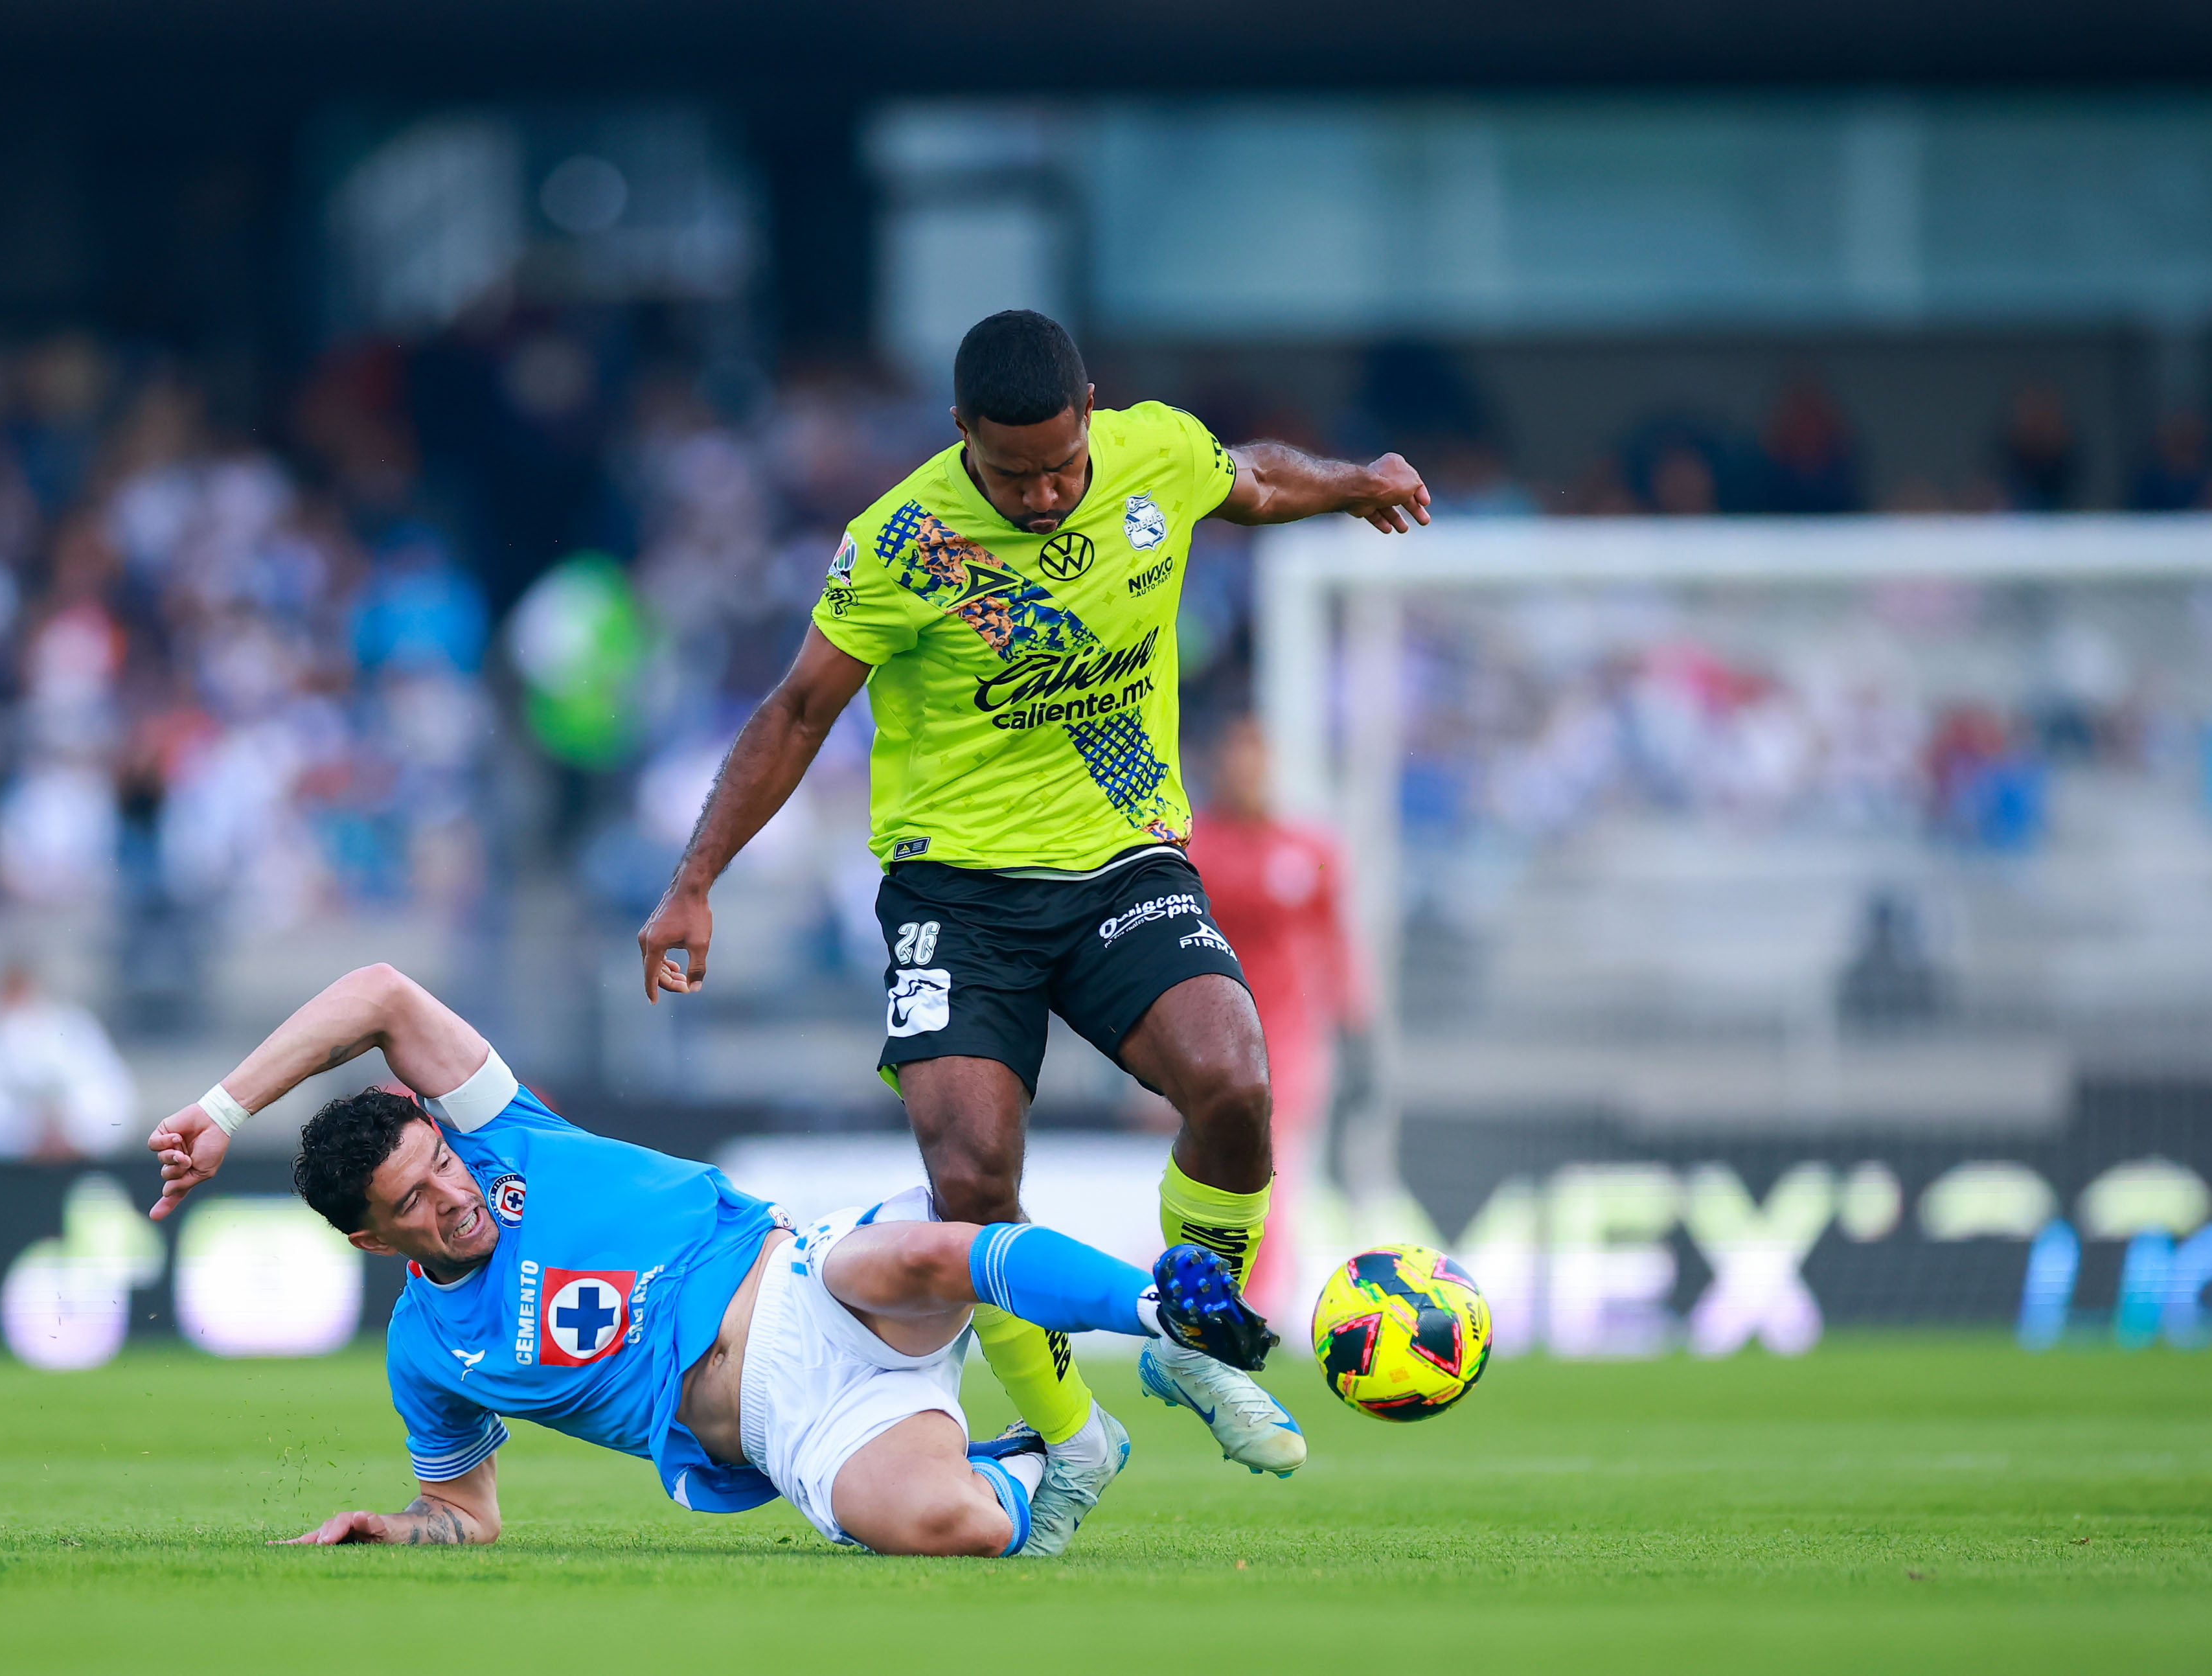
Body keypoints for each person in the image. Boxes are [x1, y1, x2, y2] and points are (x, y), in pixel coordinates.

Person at [635, 310, 1430, 1548]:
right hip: (957, 895)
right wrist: (695, 880)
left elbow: (1256, 476)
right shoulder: (899, 542)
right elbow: (796, 711)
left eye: (1061, 465)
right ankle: (1071, 1433)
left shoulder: (1150, 453)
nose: (1048, 492)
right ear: (961, 437)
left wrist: (1355, 480)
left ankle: (1191, 1337)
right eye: (1014, 476)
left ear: (1091, 414)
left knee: (1232, 1080)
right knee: (969, 1186)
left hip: (1119, 866)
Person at [144, 962, 1273, 1557]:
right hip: (794, 1432)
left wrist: (221, 1105)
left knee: (925, 1251)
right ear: (368, 1237)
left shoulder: (508, 1135)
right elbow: (466, 1514)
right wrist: (395, 1526)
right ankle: (1043, 1457)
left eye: (441, 1163)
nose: (455, 1196)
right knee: (954, 1530)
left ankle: (1165, 1311)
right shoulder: (429, 1351)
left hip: (800, 1279)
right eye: (416, 1201)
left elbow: (380, 993)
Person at [1185, 715, 1374, 1335]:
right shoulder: (1192, 847)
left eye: (1257, 758)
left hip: (1287, 1039)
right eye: (1236, 758)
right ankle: (1200, 1293)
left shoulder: (1309, 849)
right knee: (1209, 1169)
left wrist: (1357, 1028)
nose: (1247, 772)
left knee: (1266, 1165)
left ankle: (1254, 1303)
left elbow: (1336, 940)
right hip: (1202, 1035)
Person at [0, 958, 137, 1160]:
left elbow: (111, 1095)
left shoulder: (75, 1026)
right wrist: (27, 1134)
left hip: (78, 1161)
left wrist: (72, 1131)